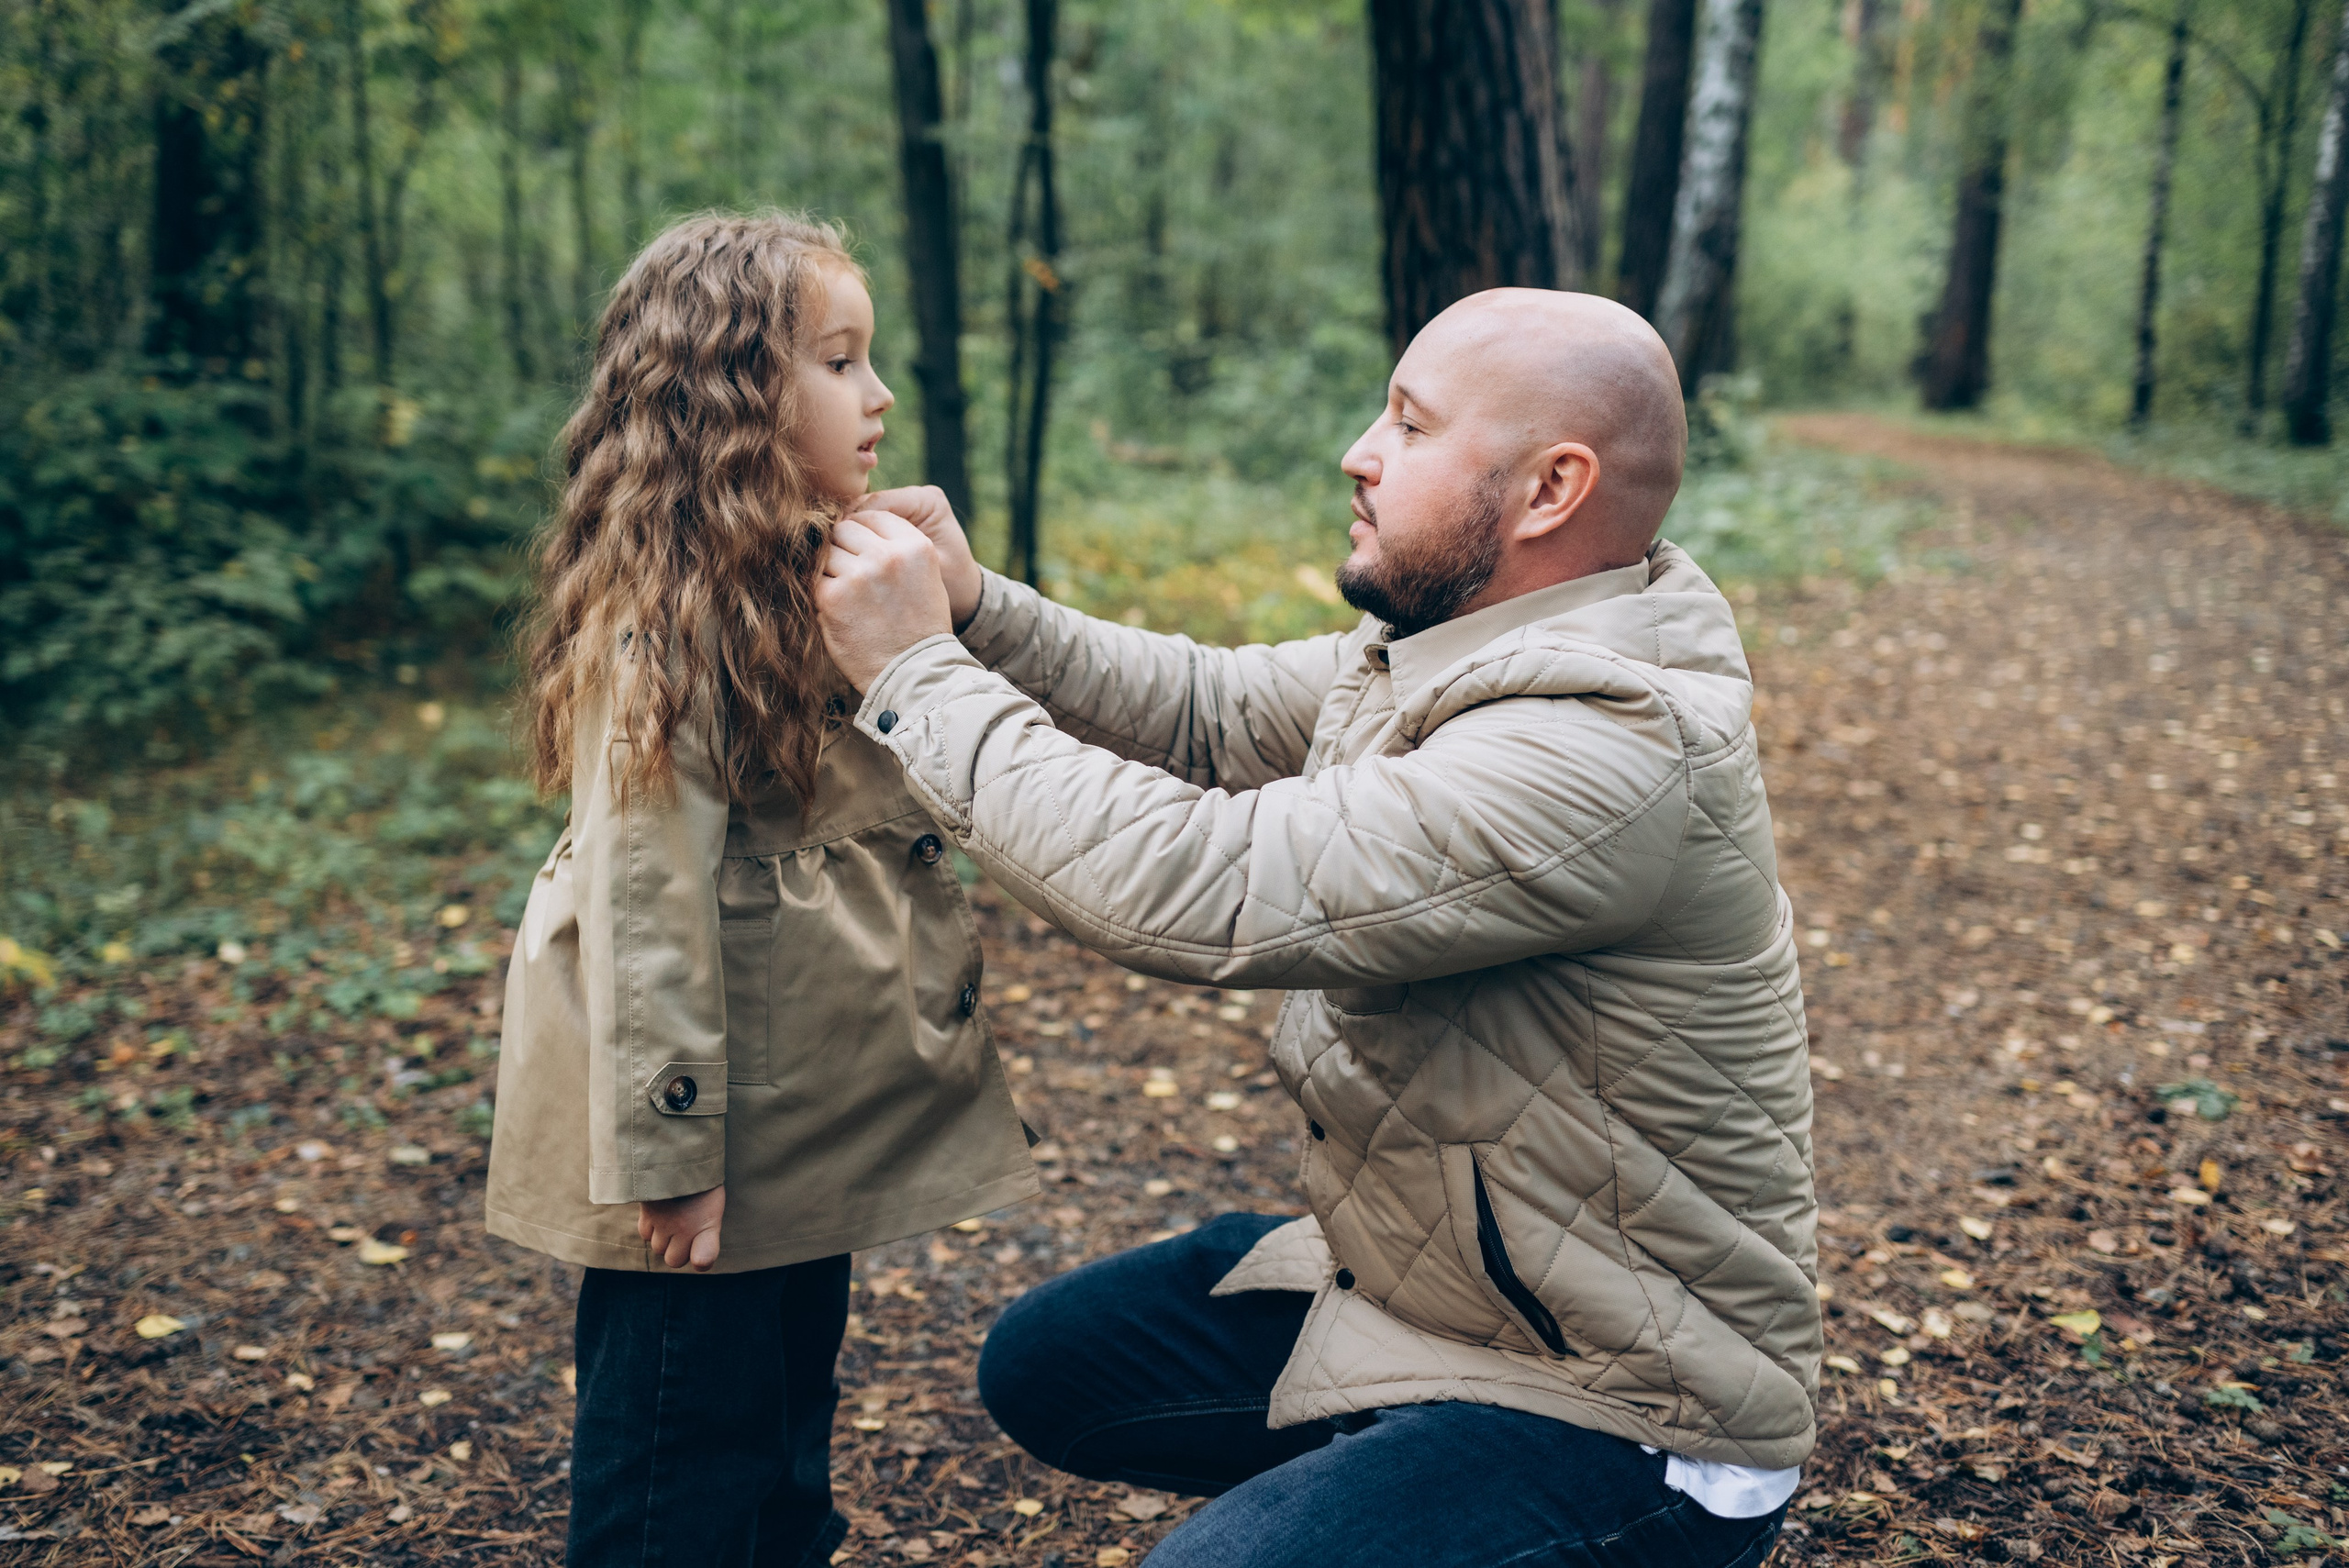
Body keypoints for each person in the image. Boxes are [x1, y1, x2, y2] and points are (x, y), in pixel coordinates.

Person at [815, 289, 1819, 1567]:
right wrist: (976, 612)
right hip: (1439, 1306)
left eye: (1409, 423)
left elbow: (1194, 880)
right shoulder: (1450, 643)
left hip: (1625, 1406)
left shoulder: (1608, 748)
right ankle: (1399, 1480)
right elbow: (1204, 710)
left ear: (1550, 490)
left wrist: (910, 675)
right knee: (1051, 1363)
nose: (1360, 448)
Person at [486, 210, 1038, 1568]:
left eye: (871, 359)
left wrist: (957, 605)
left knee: (785, 1446)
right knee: (678, 1470)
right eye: (840, 362)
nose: (881, 394)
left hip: (794, 1126)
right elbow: (645, 900)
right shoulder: (668, 618)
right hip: (706, 1144)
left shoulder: (825, 579)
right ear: (732, 401)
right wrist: (669, 1154)